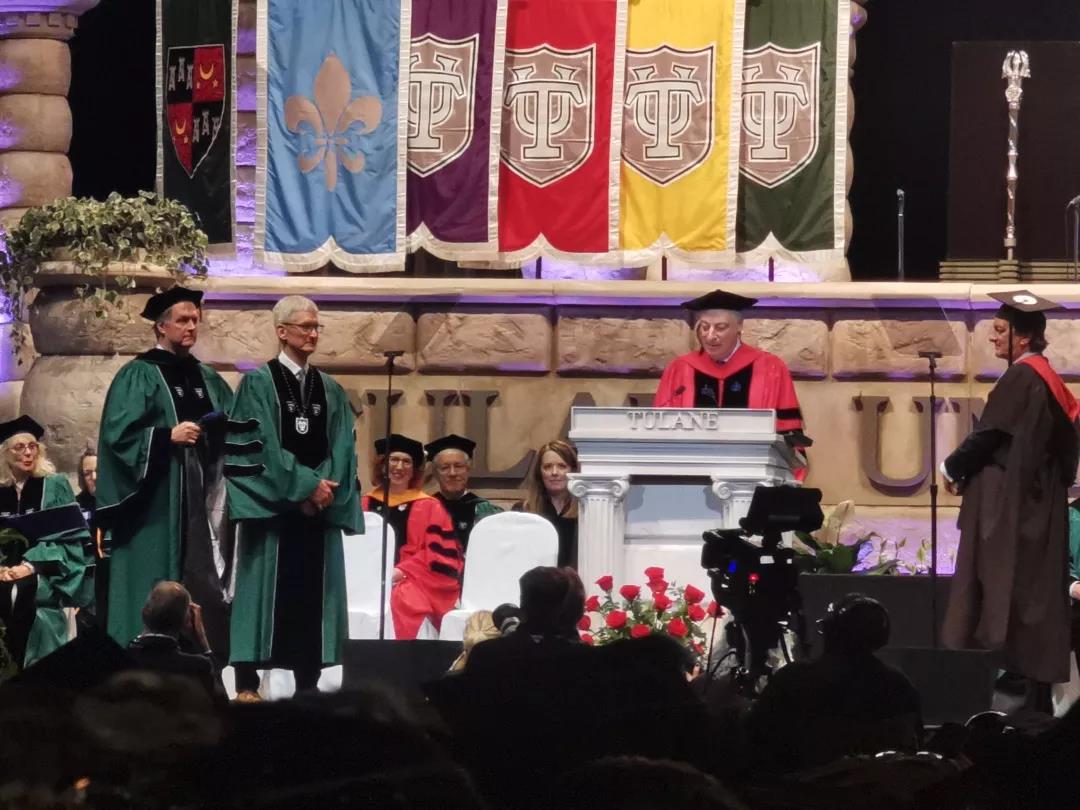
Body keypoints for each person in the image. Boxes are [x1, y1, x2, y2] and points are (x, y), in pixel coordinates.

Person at [942, 291, 1080, 691]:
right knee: (1029, 588)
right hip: (1035, 501)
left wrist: (952, 466)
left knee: (1003, 583)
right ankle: (1026, 686)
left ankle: (1009, 684)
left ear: (1023, 337)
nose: (993, 337)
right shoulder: (1047, 379)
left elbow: (990, 434)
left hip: (1011, 505)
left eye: (1000, 330)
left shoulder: (1023, 376)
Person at [225, 296, 362, 699]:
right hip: (273, 513)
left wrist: (323, 490)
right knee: (261, 599)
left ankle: (308, 686)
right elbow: (260, 444)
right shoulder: (257, 383)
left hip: (316, 515)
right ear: (282, 331)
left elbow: (343, 448)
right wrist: (304, 488)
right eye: (305, 326)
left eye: (317, 327)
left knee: (312, 601)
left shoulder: (330, 389)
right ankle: (248, 686)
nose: (313, 334)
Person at [95, 287, 234, 665]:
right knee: (153, 578)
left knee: (204, 579)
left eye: (195, 320)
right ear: (161, 326)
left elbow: (235, 421)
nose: (191, 327)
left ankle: (201, 662)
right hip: (156, 505)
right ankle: (138, 664)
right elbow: (117, 438)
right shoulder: (139, 374)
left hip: (201, 496)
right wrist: (165, 436)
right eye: (182, 320)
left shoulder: (206, 376)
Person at [745, 593, 922, 774]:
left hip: (800, 787)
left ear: (831, 632)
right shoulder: (897, 685)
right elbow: (913, 749)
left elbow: (755, 738)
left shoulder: (793, 678)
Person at [0, 416, 93, 669]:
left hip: (44, 582)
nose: (28, 453)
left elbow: (70, 541)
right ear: (5, 453)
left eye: (33, 446)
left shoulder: (55, 485)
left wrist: (29, 565)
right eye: (20, 447)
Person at [654, 290, 806, 439]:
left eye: (720, 327)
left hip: (751, 455)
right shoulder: (680, 369)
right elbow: (659, 427)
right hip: (692, 455)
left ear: (739, 326)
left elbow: (788, 430)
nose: (710, 336)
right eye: (705, 327)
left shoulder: (771, 368)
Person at [361, 433, 460, 640]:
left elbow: (439, 555)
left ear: (414, 469)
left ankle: (405, 658)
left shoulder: (430, 507)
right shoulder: (364, 504)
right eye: (393, 460)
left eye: (406, 461)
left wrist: (401, 571)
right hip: (367, 578)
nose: (399, 467)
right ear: (382, 464)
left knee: (406, 602)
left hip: (413, 579)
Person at [127, 581, 218, 699]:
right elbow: (219, 703)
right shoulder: (198, 667)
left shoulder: (120, 660)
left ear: (144, 611)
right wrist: (202, 640)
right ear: (187, 621)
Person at [424, 434, 501, 551]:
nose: (452, 473)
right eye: (445, 467)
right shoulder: (425, 509)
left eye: (458, 466)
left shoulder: (485, 510)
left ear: (468, 469)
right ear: (435, 473)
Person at [515, 439, 579, 568]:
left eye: (562, 466)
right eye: (547, 467)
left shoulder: (584, 512)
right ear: (539, 473)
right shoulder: (523, 511)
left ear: (573, 471)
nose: (554, 472)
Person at [76, 446, 109, 626]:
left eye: (98, 471)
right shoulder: (75, 506)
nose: (94, 477)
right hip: (87, 583)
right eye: (87, 473)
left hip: (113, 578)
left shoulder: (117, 502)